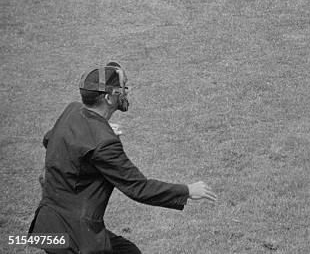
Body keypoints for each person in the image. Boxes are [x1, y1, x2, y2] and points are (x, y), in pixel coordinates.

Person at [29, 62, 217, 254]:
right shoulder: (104, 144)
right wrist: (187, 190)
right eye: (123, 88)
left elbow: (49, 138)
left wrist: (99, 131)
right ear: (109, 98)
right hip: (76, 238)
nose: (127, 92)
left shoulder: (72, 110)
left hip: (48, 224)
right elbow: (139, 188)